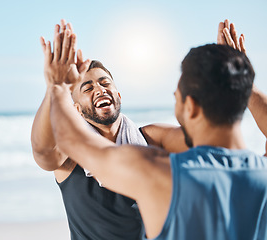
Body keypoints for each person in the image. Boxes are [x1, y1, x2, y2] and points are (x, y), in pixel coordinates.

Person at [47, 21, 267, 239]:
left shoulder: (159, 172)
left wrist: (57, 86)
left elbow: (68, 141)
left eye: (176, 97)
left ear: (190, 107)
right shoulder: (261, 172)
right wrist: (244, 83)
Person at [32, 20, 187, 239]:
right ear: (76, 108)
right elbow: (43, 153)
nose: (99, 89)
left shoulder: (152, 139)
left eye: (105, 83)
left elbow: (208, 140)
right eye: (88, 88)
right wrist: (55, 88)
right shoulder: (72, 153)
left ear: (118, 95)